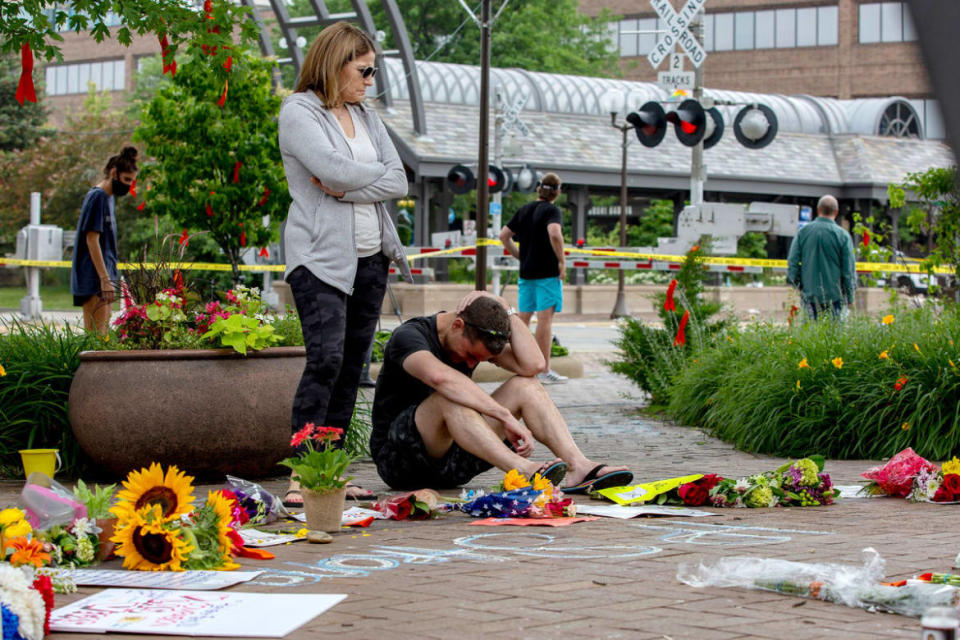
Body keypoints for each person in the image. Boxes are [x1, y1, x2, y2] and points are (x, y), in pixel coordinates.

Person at [277, 21, 412, 505]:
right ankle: (302, 473)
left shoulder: (367, 116)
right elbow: (330, 170)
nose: (370, 80)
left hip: (372, 256)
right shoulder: (300, 112)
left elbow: (399, 181)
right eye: (365, 70)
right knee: (326, 359)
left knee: (354, 367)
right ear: (337, 64)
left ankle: (329, 474)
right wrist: (352, 178)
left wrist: (349, 184)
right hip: (319, 258)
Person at [371, 291, 633, 494]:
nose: (472, 364)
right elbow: (442, 379)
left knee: (526, 385)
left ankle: (579, 467)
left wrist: (504, 309)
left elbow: (534, 365)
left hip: (453, 463)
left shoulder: (472, 336)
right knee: (450, 396)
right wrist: (503, 416)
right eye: (470, 355)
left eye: (479, 360)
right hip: (401, 462)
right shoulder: (409, 337)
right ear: (457, 325)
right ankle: (525, 471)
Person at [499, 172, 568, 384]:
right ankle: (544, 369)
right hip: (547, 273)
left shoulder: (525, 209)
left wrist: (518, 254)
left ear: (539, 189)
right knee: (545, 320)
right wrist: (561, 260)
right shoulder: (552, 210)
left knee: (523, 320)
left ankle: (522, 365)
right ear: (557, 191)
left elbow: (504, 236)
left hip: (526, 272)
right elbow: (555, 233)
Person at [71, 146, 138, 335]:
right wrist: (104, 280)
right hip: (94, 278)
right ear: (113, 173)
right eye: (126, 180)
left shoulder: (109, 199)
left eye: (131, 182)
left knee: (103, 336)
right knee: (96, 338)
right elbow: (91, 239)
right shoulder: (97, 197)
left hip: (105, 276)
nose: (128, 185)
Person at [786, 194, 857, 321]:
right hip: (835, 297)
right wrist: (850, 297)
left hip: (809, 296)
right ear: (836, 212)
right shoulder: (843, 236)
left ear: (818, 210)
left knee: (810, 336)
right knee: (833, 337)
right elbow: (848, 271)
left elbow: (792, 264)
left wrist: (800, 287)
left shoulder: (803, 233)